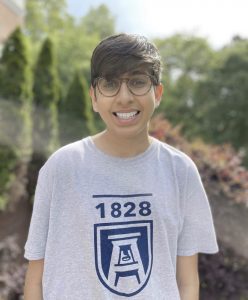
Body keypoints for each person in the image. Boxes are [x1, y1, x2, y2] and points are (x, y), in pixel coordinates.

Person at [24, 33, 218, 300]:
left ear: (157, 93)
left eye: (138, 82)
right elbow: (36, 279)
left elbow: (187, 281)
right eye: (110, 84)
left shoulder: (181, 171)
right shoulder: (60, 168)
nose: (124, 97)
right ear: (93, 97)